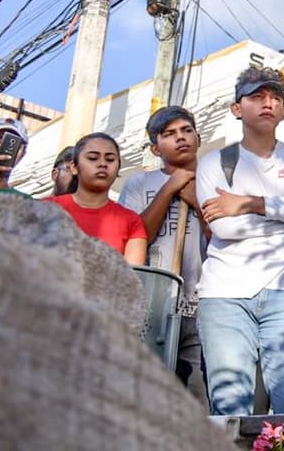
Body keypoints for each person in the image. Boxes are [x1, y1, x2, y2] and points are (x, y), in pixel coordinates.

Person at [196, 66, 284, 416]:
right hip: (224, 294)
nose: (268, 103)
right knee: (230, 407)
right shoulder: (214, 161)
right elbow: (224, 228)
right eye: (257, 96)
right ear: (236, 108)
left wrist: (249, 203)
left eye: (275, 97)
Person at [117, 106, 207, 403]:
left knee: (198, 398)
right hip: (153, 305)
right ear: (155, 148)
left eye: (186, 130)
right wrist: (169, 189)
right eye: (169, 134)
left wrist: (196, 200)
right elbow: (136, 236)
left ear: (198, 137)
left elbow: (223, 239)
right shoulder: (138, 184)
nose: (180, 138)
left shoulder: (215, 180)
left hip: (202, 305)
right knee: (147, 395)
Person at [47, 132, 147, 264]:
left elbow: (133, 273)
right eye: (93, 158)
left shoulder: (132, 222)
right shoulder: (43, 209)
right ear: (74, 167)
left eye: (110, 159)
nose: (102, 164)